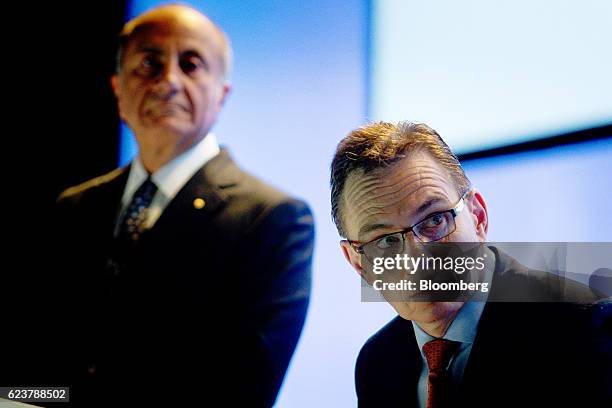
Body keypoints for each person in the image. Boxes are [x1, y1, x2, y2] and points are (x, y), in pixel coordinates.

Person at [54, 5, 314, 406]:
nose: (168, 81)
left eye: (191, 65)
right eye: (148, 64)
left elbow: (245, 390)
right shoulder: (75, 207)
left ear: (222, 93)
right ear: (118, 88)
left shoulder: (273, 219)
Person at [330, 121, 610, 407]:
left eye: (435, 220)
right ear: (359, 265)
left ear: (477, 217)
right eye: (385, 241)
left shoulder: (584, 328)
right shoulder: (378, 363)